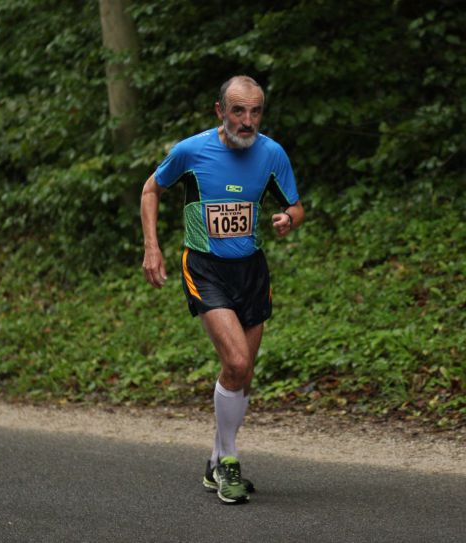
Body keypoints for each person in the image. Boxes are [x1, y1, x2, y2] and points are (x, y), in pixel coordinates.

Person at [141, 75, 305, 504]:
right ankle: (229, 462)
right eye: (238, 111)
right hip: (205, 267)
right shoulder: (190, 151)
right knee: (234, 361)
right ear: (220, 112)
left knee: (242, 373)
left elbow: (295, 203)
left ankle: (214, 461)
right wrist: (152, 248)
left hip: (252, 272)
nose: (247, 120)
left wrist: (291, 218)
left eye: (255, 111)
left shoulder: (272, 153)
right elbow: (151, 189)